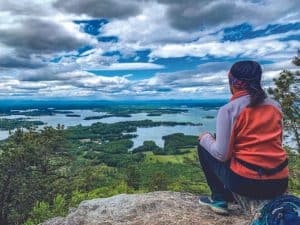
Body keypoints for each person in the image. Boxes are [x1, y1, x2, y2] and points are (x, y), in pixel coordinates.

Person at [197, 61, 288, 215]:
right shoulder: (275, 106)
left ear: (232, 82)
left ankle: (219, 199)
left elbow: (222, 154)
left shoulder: (229, 110)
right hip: (279, 182)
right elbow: (277, 143)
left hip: (247, 183)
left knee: (205, 143)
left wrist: (205, 138)